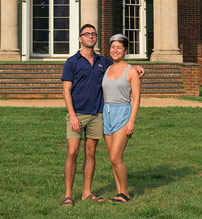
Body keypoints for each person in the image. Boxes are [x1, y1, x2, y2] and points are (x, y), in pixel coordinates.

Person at [60, 24, 144, 207]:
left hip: (98, 115)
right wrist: (72, 115)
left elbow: (121, 65)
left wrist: (136, 67)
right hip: (78, 115)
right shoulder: (72, 62)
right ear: (80, 38)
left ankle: (87, 192)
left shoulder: (102, 62)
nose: (90, 36)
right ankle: (68, 195)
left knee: (92, 154)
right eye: (86, 34)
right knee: (73, 152)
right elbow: (66, 90)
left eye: (93, 34)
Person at [101, 33, 141, 203]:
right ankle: (119, 192)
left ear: (125, 51)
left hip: (122, 113)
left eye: (118, 47)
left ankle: (124, 193)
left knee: (115, 157)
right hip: (106, 113)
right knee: (113, 158)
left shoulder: (131, 71)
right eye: (112, 47)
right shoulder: (107, 68)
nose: (115, 50)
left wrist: (131, 121)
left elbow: (137, 98)